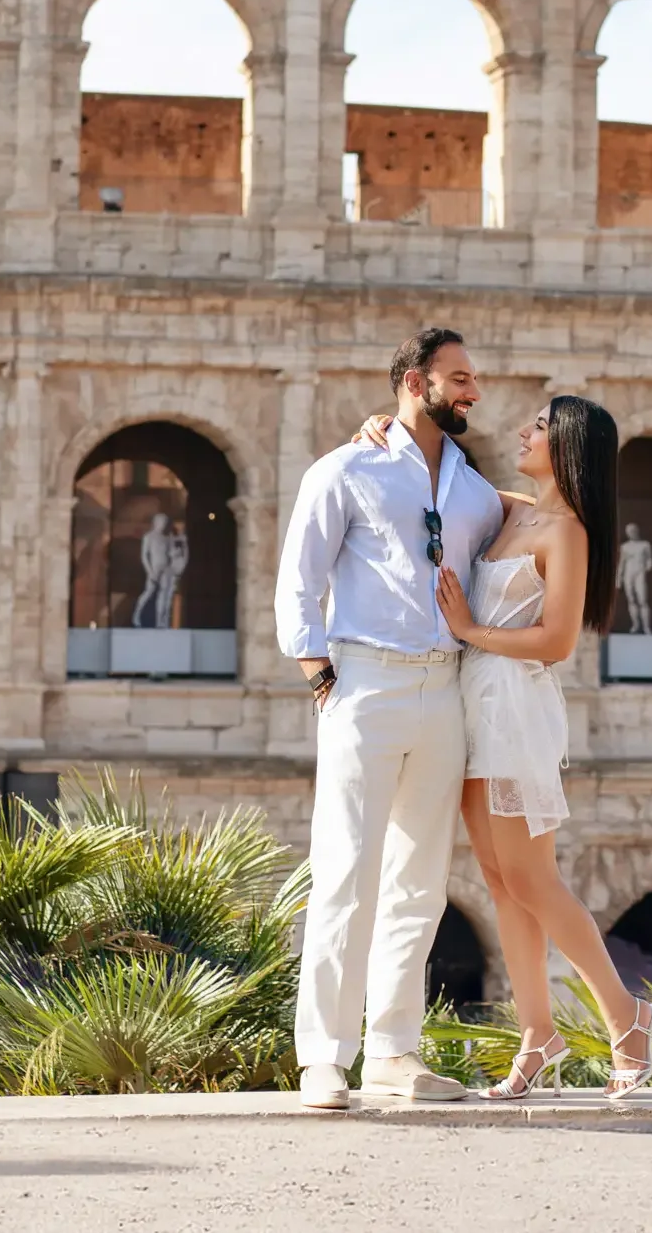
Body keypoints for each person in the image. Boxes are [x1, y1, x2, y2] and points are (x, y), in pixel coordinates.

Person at [275, 328, 502, 1110]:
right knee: (344, 870)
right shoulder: (346, 467)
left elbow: (538, 518)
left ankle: (394, 1052)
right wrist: (318, 673)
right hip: (363, 683)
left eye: (474, 378)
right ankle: (323, 1059)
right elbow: (297, 578)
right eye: (459, 377)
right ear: (415, 380)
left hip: (443, 690)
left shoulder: (474, 489)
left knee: (419, 882)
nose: (473, 390)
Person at [435, 394, 652, 1101]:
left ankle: (626, 1015)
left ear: (566, 445)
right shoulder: (514, 510)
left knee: (532, 877)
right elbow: (440, 474)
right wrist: (381, 429)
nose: (523, 430)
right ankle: (539, 1031)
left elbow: (558, 641)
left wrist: (469, 628)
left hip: (513, 702)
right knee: (499, 880)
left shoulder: (566, 530)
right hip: (474, 699)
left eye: (537, 424)